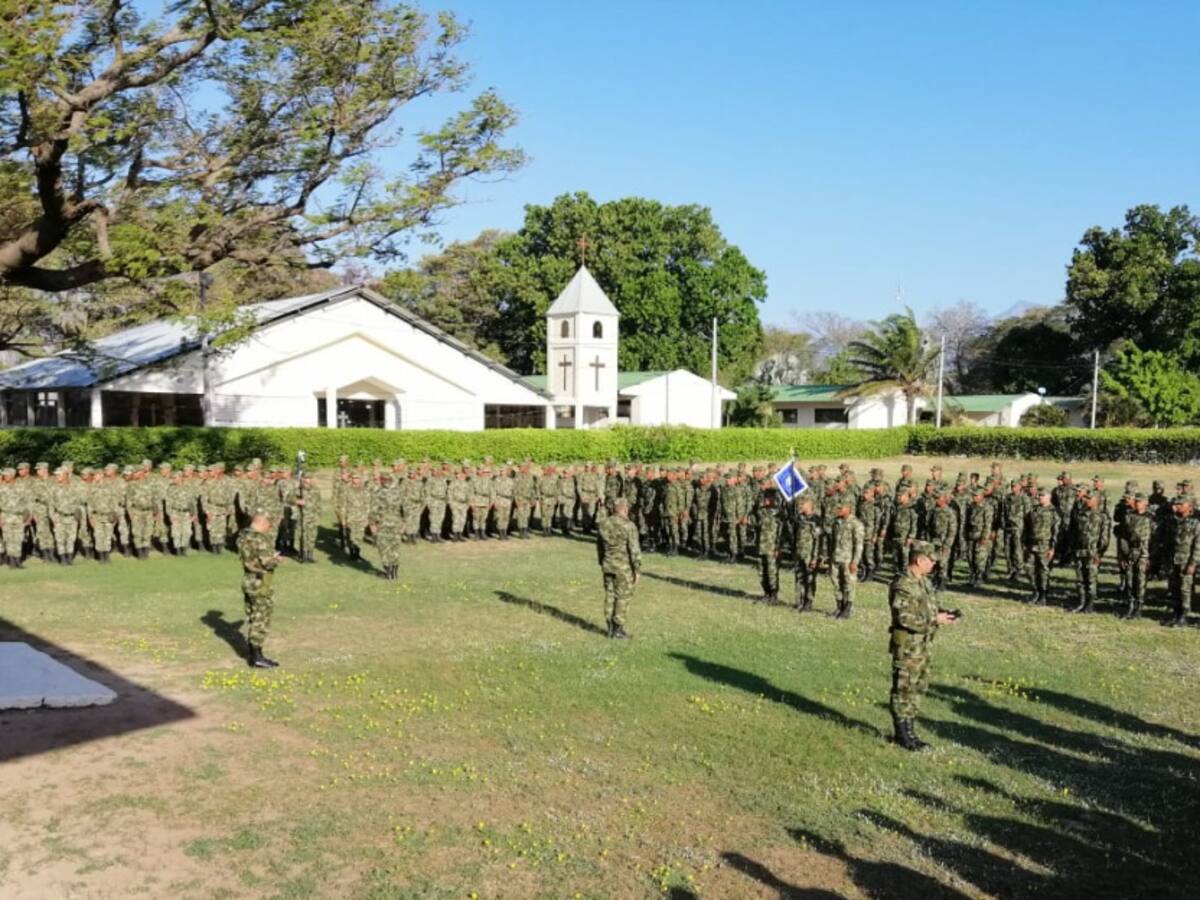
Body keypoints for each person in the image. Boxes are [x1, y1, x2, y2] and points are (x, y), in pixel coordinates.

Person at [888, 540, 959, 751]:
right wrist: (935, 620)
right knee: (904, 688)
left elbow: (928, 607)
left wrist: (943, 613)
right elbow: (905, 618)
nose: (934, 565)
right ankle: (902, 735)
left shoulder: (923, 581)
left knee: (918, 687)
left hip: (923, 644)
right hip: (909, 646)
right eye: (931, 560)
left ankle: (910, 730)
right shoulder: (903, 584)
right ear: (919, 560)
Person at [237, 509, 286, 668]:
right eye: (268, 525)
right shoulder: (260, 540)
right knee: (261, 618)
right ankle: (256, 657)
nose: (269, 528)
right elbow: (266, 562)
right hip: (260, 582)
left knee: (253, 616)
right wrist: (276, 559)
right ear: (262, 523)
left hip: (248, 581)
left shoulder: (243, 536)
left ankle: (254, 653)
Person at [597, 497, 640, 639]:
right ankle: (618, 629)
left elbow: (599, 546)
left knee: (609, 594)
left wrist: (602, 561)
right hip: (623, 567)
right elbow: (634, 549)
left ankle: (609, 626)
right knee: (623, 596)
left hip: (608, 564)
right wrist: (637, 569)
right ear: (625, 508)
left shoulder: (604, 524)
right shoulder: (629, 525)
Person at [1165, 497, 1200, 628]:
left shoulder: (1195, 524)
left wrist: (1193, 563)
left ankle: (1184, 616)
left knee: (1185, 590)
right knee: (1174, 589)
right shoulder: (1172, 522)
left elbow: (1198, 546)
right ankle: (1176, 613)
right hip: (1173, 560)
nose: (1177, 506)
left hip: (1186, 562)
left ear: (1189, 507)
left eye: (1181, 504)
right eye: (1177, 504)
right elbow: (1168, 542)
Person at [828, 500, 864, 619]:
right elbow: (832, 541)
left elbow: (859, 545)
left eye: (841, 508)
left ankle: (848, 608)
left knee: (849, 584)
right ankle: (839, 606)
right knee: (836, 582)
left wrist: (855, 562)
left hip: (848, 559)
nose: (838, 510)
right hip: (836, 557)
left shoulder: (856, 524)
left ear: (849, 508)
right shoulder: (836, 522)